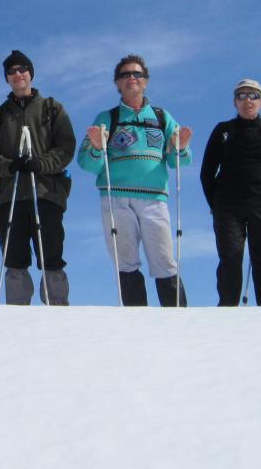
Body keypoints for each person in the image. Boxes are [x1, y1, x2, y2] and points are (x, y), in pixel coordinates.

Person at [77, 54, 192, 306]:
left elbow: (179, 162)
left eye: (137, 74)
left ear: (146, 81)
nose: (132, 78)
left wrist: (180, 148)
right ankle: (136, 323)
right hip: (116, 197)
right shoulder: (107, 118)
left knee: (164, 260)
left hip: (154, 199)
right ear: (117, 83)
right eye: (125, 75)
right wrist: (97, 148)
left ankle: (180, 321)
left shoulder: (162, 117)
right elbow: (86, 162)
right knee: (126, 260)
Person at [0, 50, 75, 305]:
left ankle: (57, 309)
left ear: (30, 73)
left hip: (46, 192)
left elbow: (66, 147)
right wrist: (10, 166)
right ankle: (17, 315)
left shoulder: (52, 108)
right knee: (14, 257)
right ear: (7, 78)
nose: (18, 74)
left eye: (22, 69)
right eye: (12, 71)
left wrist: (41, 164)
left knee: (51, 255)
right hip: (9, 196)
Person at [199, 79, 261, 306]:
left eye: (253, 96)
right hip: (228, 207)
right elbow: (207, 172)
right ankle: (228, 313)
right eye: (241, 96)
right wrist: (216, 206)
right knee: (230, 258)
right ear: (234, 102)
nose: (247, 101)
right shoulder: (224, 131)